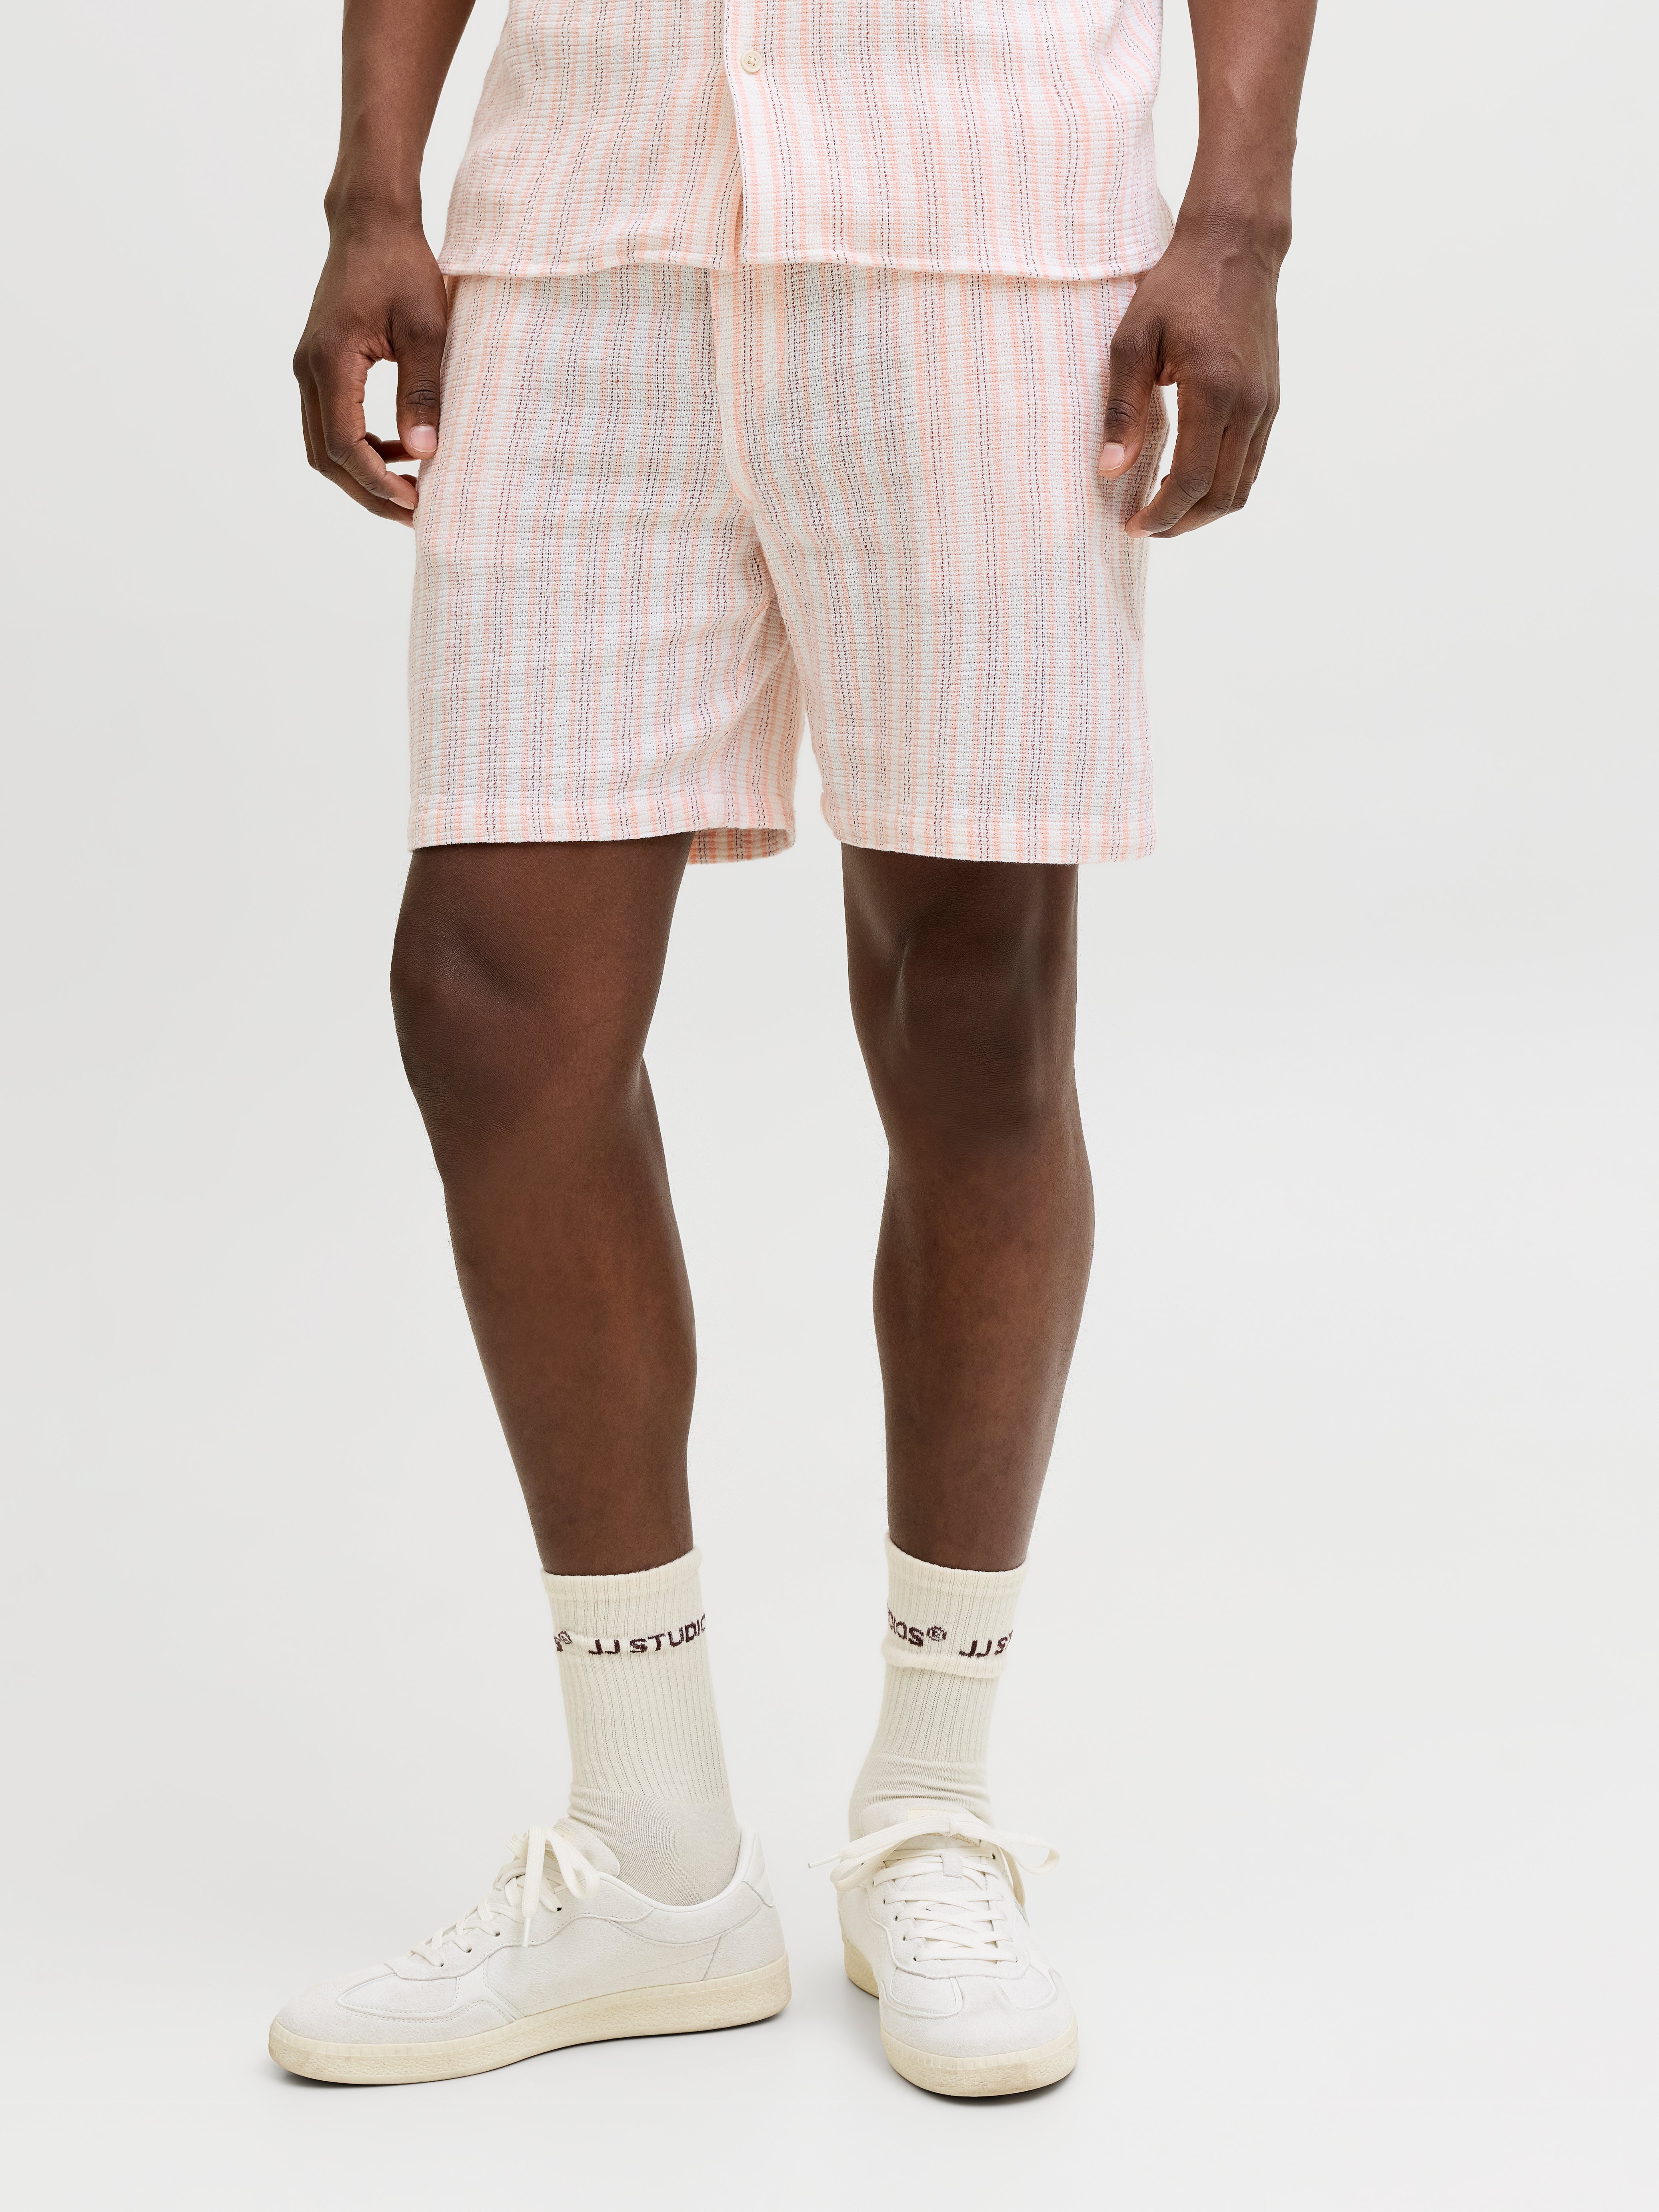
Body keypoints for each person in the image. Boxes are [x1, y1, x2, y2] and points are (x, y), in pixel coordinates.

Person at [272, 0, 1317, 2098]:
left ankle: (929, 1804)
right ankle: (654, 1854)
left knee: (974, 1003)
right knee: (488, 996)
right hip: (585, 225)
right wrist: (373, 184)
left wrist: (1237, 221)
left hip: (980, 224)